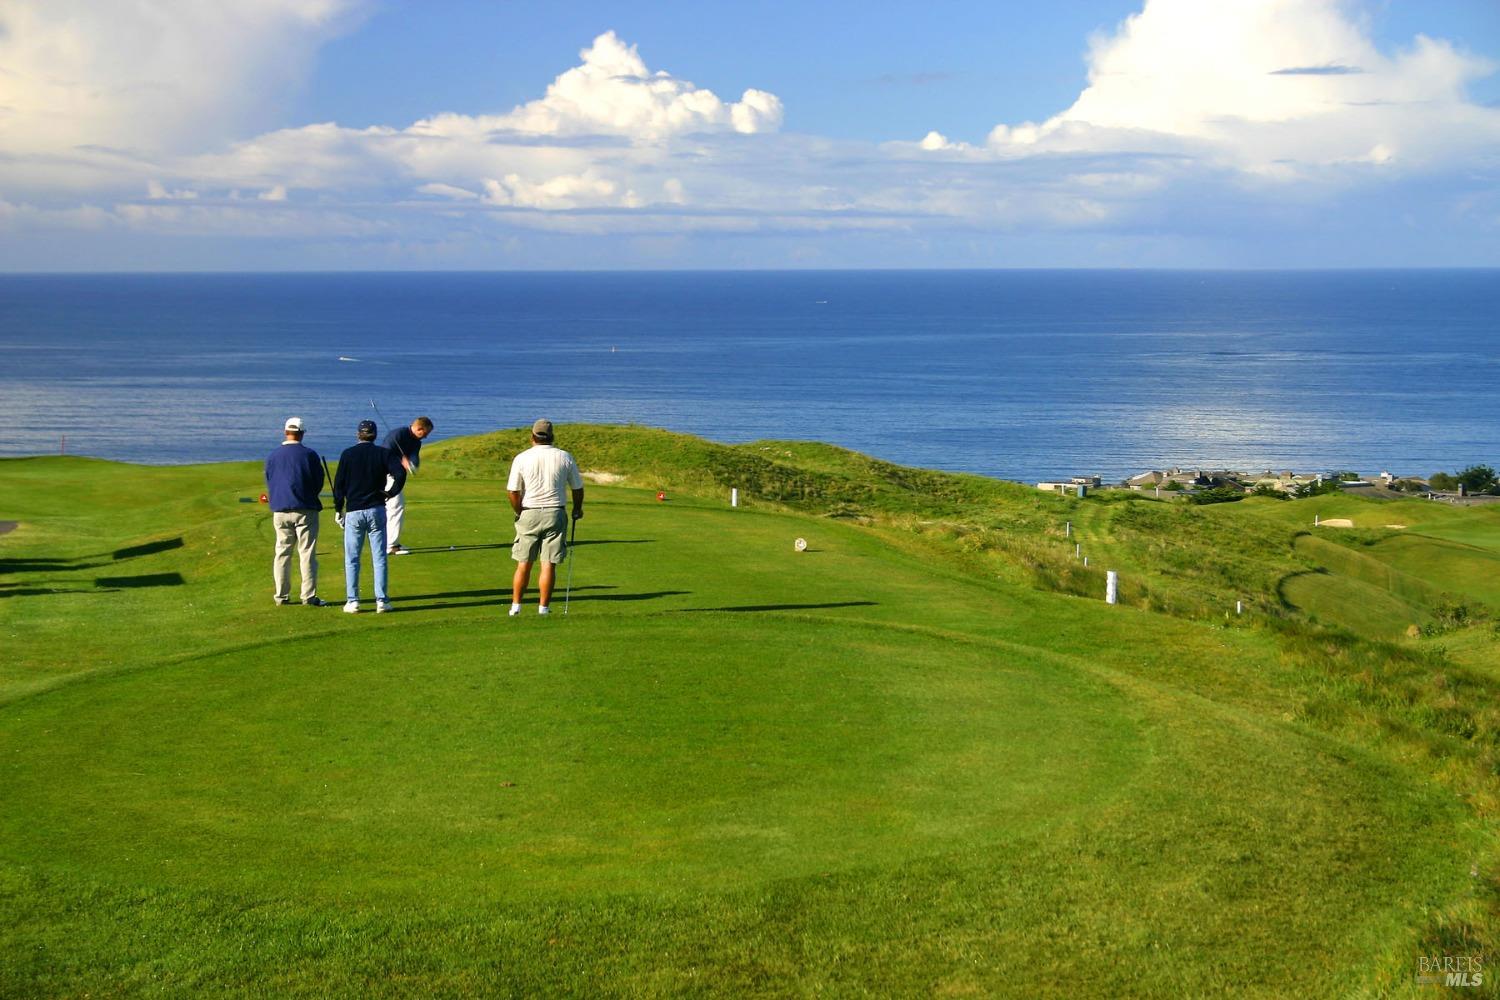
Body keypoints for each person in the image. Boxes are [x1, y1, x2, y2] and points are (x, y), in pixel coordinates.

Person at [507, 418, 584, 616]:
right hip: (555, 513)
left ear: (532, 436)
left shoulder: (521, 458)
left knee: (524, 563)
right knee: (548, 563)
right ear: (552, 437)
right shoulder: (565, 456)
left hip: (529, 512)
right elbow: (577, 488)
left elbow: (513, 492)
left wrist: (519, 511)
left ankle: (516, 607)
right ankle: (543, 608)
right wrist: (577, 509)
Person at [333, 419, 406, 614]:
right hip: (376, 510)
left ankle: (353, 601)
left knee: (352, 558)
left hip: (354, 512)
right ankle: (381, 601)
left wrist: (338, 509)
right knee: (379, 557)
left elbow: (339, 486)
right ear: (374, 435)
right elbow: (400, 473)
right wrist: (391, 493)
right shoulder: (383, 453)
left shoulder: (347, 454)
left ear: (358, 434)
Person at [264, 416, 328, 607]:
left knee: (282, 553)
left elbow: (270, 480)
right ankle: (308, 596)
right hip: (305, 509)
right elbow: (318, 481)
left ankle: (281, 596)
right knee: (306, 553)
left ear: (285, 432)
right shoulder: (309, 454)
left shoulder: (273, 455)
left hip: (280, 510)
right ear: (301, 434)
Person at [382, 416, 433, 556]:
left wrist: (411, 464)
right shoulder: (397, 435)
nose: (426, 436)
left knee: (394, 507)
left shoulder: (417, 442)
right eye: (425, 433)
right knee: (395, 506)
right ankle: (390, 545)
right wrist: (400, 460)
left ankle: (390, 543)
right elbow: (384, 454)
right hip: (386, 475)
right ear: (419, 428)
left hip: (396, 476)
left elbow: (415, 458)